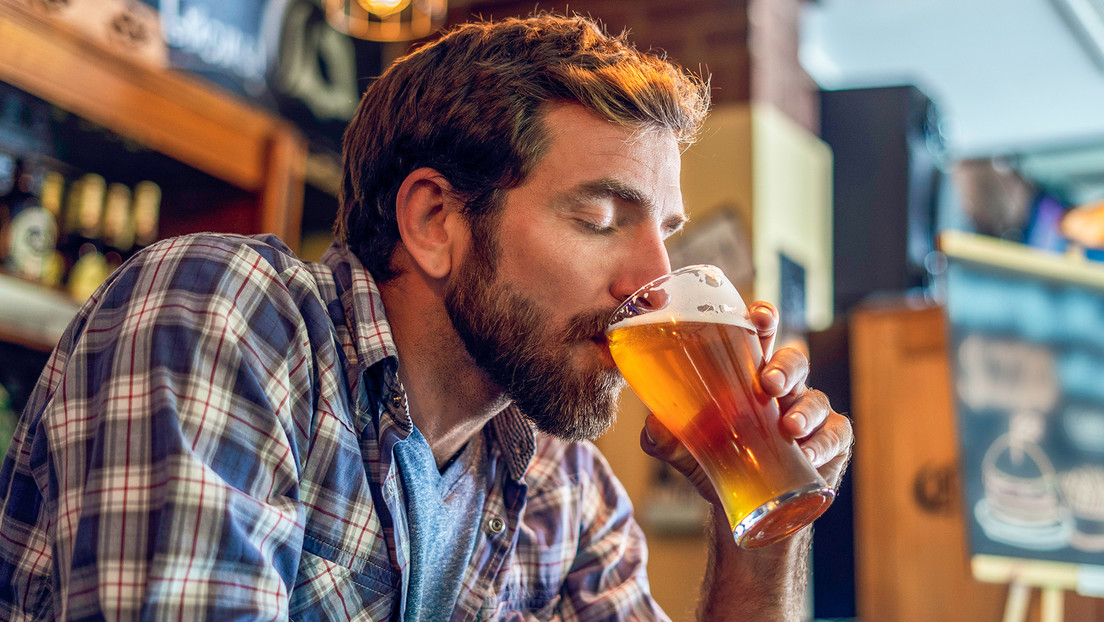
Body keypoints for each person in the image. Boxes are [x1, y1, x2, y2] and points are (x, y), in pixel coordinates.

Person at [0, 13, 852, 621]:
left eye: (663, 235)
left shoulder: (561, 483)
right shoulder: (228, 316)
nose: (652, 281)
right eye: (600, 219)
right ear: (434, 222)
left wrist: (760, 532)